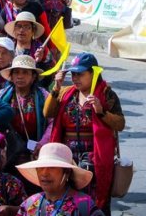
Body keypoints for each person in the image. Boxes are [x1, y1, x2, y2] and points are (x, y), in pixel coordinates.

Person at [44, 52, 125, 214]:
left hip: (95, 155)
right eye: (73, 74)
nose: (75, 78)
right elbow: (48, 113)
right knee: (67, 198)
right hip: (68, 155)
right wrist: (56, 88)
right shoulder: (66, 93)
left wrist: (102, 112)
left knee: (94, 199)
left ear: (93, 73)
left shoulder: (106, 94)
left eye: (80, 74)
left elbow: (120, 124)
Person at [0, 55, 52, 174]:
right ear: (11, 76)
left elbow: (53, 122)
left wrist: (42, 143)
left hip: (35, 152)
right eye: (16, 72)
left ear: (33, 77)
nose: (20, 76)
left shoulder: (44, 96)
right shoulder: (2, 96)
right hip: (9, 152)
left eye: (25, 72)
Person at [16, 143, 105, 216]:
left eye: (52, 167)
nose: (44, 173)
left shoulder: (84, 206)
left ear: (66, 172)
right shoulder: (28, 205)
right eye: (40, 168)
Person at [4, 12, 55, 87]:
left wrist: (40, 62)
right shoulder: (7, 47)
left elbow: (50, 75)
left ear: (33, 31)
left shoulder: (42, 49)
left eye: (26, 27)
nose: (21, 30)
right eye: (19, 26)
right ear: (14, 30)